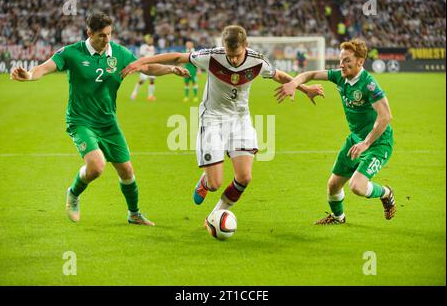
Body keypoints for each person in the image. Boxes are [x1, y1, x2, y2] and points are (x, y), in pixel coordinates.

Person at [121, 25, 324, 224]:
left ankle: (216, 215)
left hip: (240, 119)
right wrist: (142, 61)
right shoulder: (212, 56)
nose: (233, 59)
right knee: (215, 183)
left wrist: (304, 89)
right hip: (212, 119)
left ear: (246, 45)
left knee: (244, 177)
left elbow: (278, 75)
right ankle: (205, 181)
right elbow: (177, 57)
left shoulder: (257, 60)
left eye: (236, 54)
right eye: (229, 54)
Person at [10, 12, 189, 225]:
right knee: (96, 167)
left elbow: (147, 66)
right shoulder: (72, 53)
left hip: (108, 121)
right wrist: (30, 75)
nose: (106, 40)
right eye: (102, 35)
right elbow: (45, 67)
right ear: (89, 33)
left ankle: (134, 214)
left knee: (127, 170)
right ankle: (74, 193)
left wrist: (170, 69)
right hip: (81, 120)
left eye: (109, 34)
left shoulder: (120, 54)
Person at [275, 38, 395, 225]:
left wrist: (366, 143)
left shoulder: (369, 85)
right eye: (341, 60)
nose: (342, 64)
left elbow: (386, 116)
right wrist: (295, 83)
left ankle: (386, 193)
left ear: (360, 61)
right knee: (333, 185)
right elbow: (312, 74)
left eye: (347, 60)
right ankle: (338, 218)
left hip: (378, 143)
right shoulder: (340, 75)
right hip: (355, 139)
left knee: (357, 186)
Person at [131, 36, 157, 101]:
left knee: (152, 80)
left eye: (152, 40)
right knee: (142, 80)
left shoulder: (153, 47)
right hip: (145, 65)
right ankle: (134, 94)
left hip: (152, 66)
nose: (151, 41)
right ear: (147, 40)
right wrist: (142, 64)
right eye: (150, 40)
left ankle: (150, 96)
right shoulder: (143, 47)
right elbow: (141, 56)